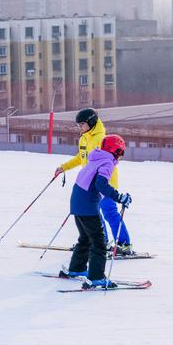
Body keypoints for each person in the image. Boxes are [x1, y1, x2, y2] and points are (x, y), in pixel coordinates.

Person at [54, 108, 133, 255]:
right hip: (90, 184)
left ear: (91, 122)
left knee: (108, 213)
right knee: (94, 214)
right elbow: (81, 157)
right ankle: (99, 242)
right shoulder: (85, 137)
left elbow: (105, 164)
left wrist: (100, 183)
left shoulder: (100, 139)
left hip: (103, 183)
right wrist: (64, 167)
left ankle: (123, 244)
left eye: (82, 124)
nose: (80, 127)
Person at [65, 134, 132, 288]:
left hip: (77, 202)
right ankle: (96, 277)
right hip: (88, 205)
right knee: (99, 242)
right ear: (115, 150)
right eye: (121, 152)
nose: (121, 157)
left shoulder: (95, 158)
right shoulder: (107, 162)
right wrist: (119, 197)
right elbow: (101, 185)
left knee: (85, 238)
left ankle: (77, 268)